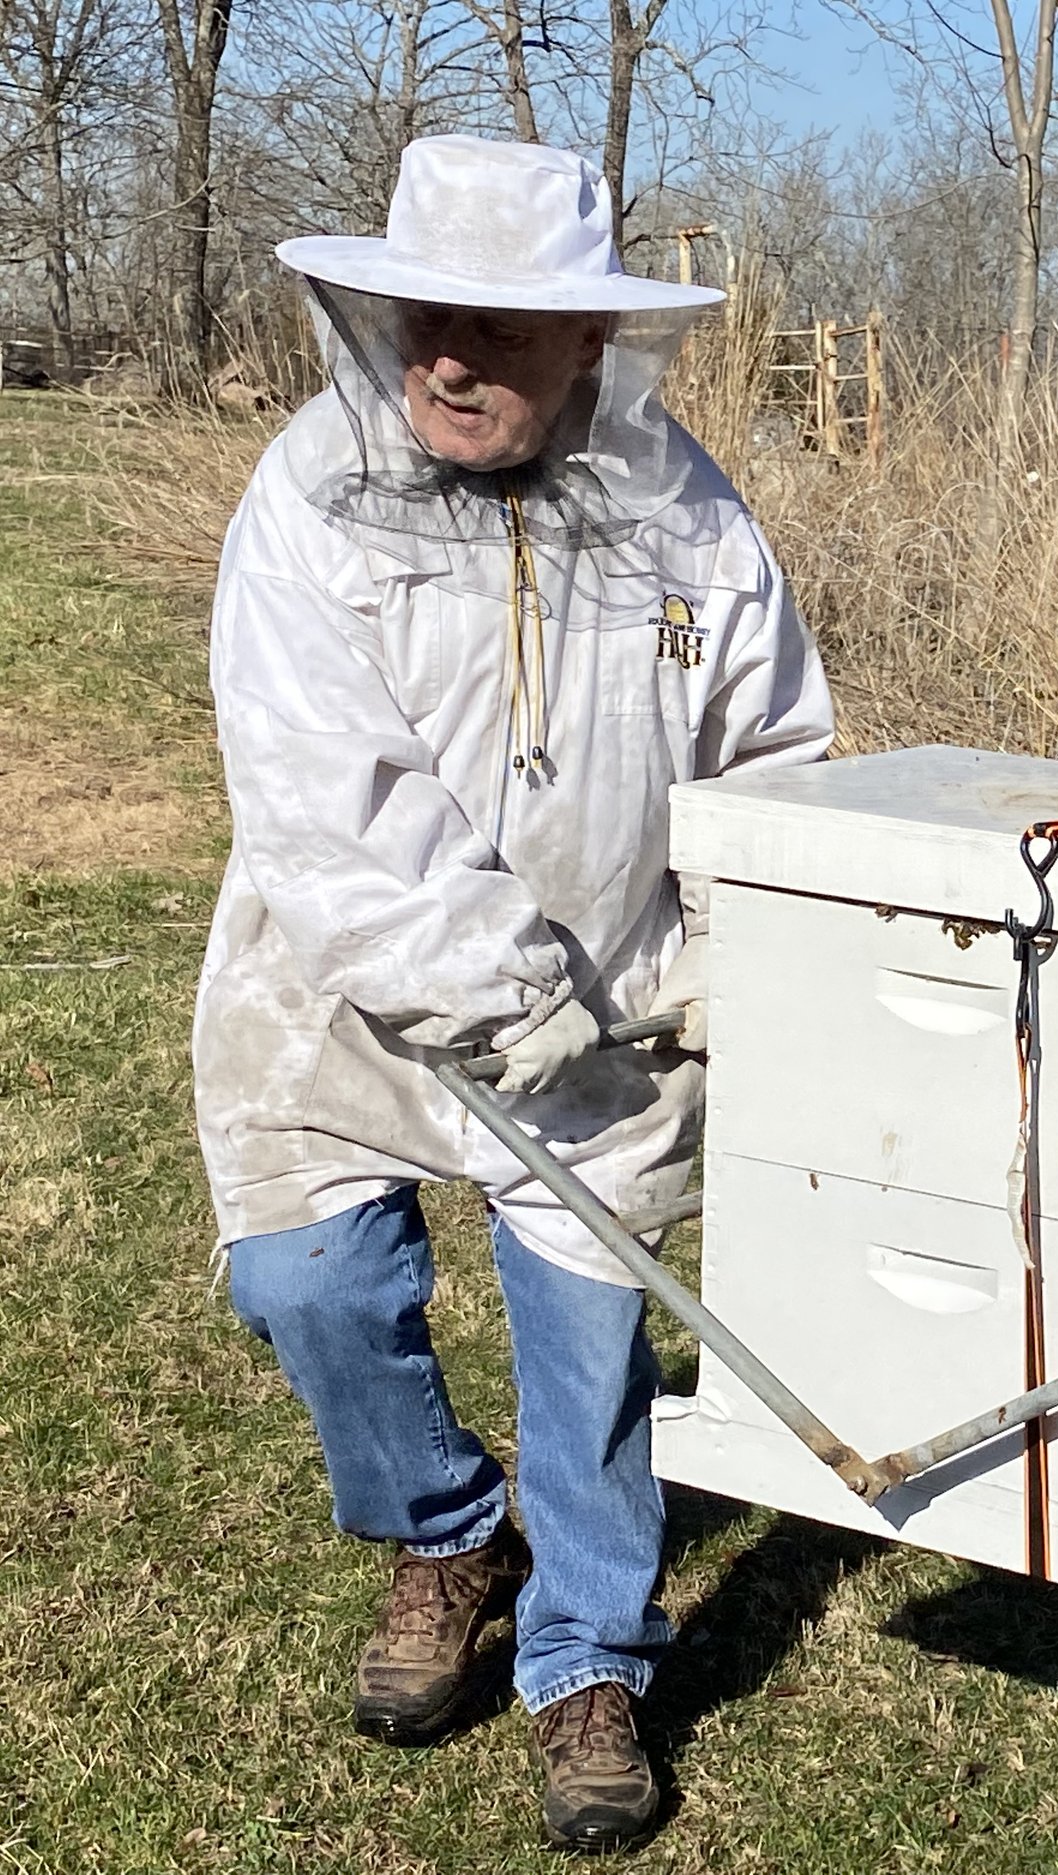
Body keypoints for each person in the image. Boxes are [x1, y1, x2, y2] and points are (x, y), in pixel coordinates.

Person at [193, 134, 834, 1854]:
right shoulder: (308, 497)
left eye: (499, 328)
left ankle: (589, 1658)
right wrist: (491, 981)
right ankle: (442, 1530)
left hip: (607, 1013)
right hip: (342, 986)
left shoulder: (687, 511)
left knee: (589, 1338)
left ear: (592, 349)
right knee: (308, 1282)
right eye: (423, 323)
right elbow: (327, 796)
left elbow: (769, 743)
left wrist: (732, 943)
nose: (452, 361)